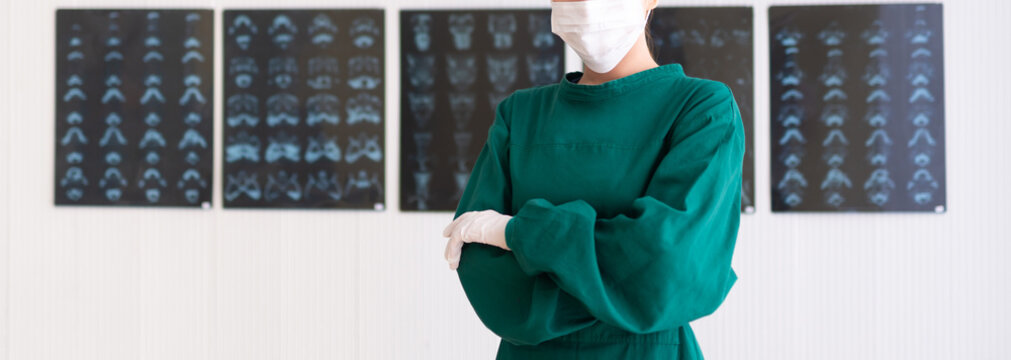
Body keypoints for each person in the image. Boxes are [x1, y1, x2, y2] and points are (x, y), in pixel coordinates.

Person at [441, 0, 745, 358]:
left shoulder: (701, 109)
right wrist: (616, 285)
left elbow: (667, 266)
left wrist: (515, 234)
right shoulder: (520, 115)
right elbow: (485, 275)